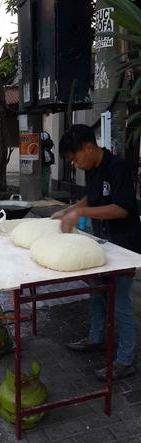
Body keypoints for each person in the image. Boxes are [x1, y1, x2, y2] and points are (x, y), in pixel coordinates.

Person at [51, 124, 141, 380]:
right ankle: (96, 337)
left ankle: (126, 359)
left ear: (89, 148)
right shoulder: (91, 169)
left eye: (76, 158)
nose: (76, 164)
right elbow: (90, 199)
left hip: (125, 243)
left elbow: (122, 208)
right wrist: (70, 209)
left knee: (119, 300)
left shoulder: (118, 167)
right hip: (103, 240)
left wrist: (80, 213)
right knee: (96, 291)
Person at [41, 131, 55, 197]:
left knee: (43, 180)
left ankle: (43, 194)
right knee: (45, 180)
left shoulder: (39, 135)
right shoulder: (46, 134)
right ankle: (44, 194)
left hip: (41, 162)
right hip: (46, 162)